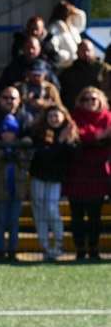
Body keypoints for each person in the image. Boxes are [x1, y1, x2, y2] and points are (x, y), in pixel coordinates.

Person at [26, 106, 77, 261]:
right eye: (51, 116)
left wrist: (62, 141)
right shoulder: (40, 134)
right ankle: (46, 246)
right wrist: (58, 142)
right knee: (39, 211)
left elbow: (71, 154)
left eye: (57, 115)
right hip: (39, 176)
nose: (54, 119)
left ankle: (59, 243)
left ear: (64, 117)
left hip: (56, 179)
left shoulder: (70, 135)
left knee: (51, 209)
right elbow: (44, 156)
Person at [66, 87, 111, 261]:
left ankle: (93, 248)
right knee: (77, 215)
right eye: (85, 99)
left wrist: (94, 138)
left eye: (93, 99)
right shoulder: (74, 117)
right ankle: (80, 249)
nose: (90, 102)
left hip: (99, 172)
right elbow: (78, 137)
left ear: (100, 100)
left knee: (95, 216)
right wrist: (100, 136)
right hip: (77, 172)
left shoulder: (107, 117)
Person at [0, 116, 33, 262]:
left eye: (10, 131)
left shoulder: (21, 148)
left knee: (14, 222)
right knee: (0, 222)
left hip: (17, 189)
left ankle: (12, 251)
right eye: (4, 131)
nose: (7, 134)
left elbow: (27, 165)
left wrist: (16, 155)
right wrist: (2, 156)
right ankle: (0, 250)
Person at [57, 39, 111, 109]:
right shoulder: (67, 72)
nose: (86, 53)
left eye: (88, 50)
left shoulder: (105, 69)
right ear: (77, 52)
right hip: (75, 112)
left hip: (100, 111)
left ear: (94, 51)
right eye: (83, 51)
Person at [44, 1, 87, 70]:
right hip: (64, 66)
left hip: (76, 63)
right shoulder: (54, 27)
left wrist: (74, 10)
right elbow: (51, 46)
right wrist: (64, 56)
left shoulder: (72, 26)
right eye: (67, 12)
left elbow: (82, 19)